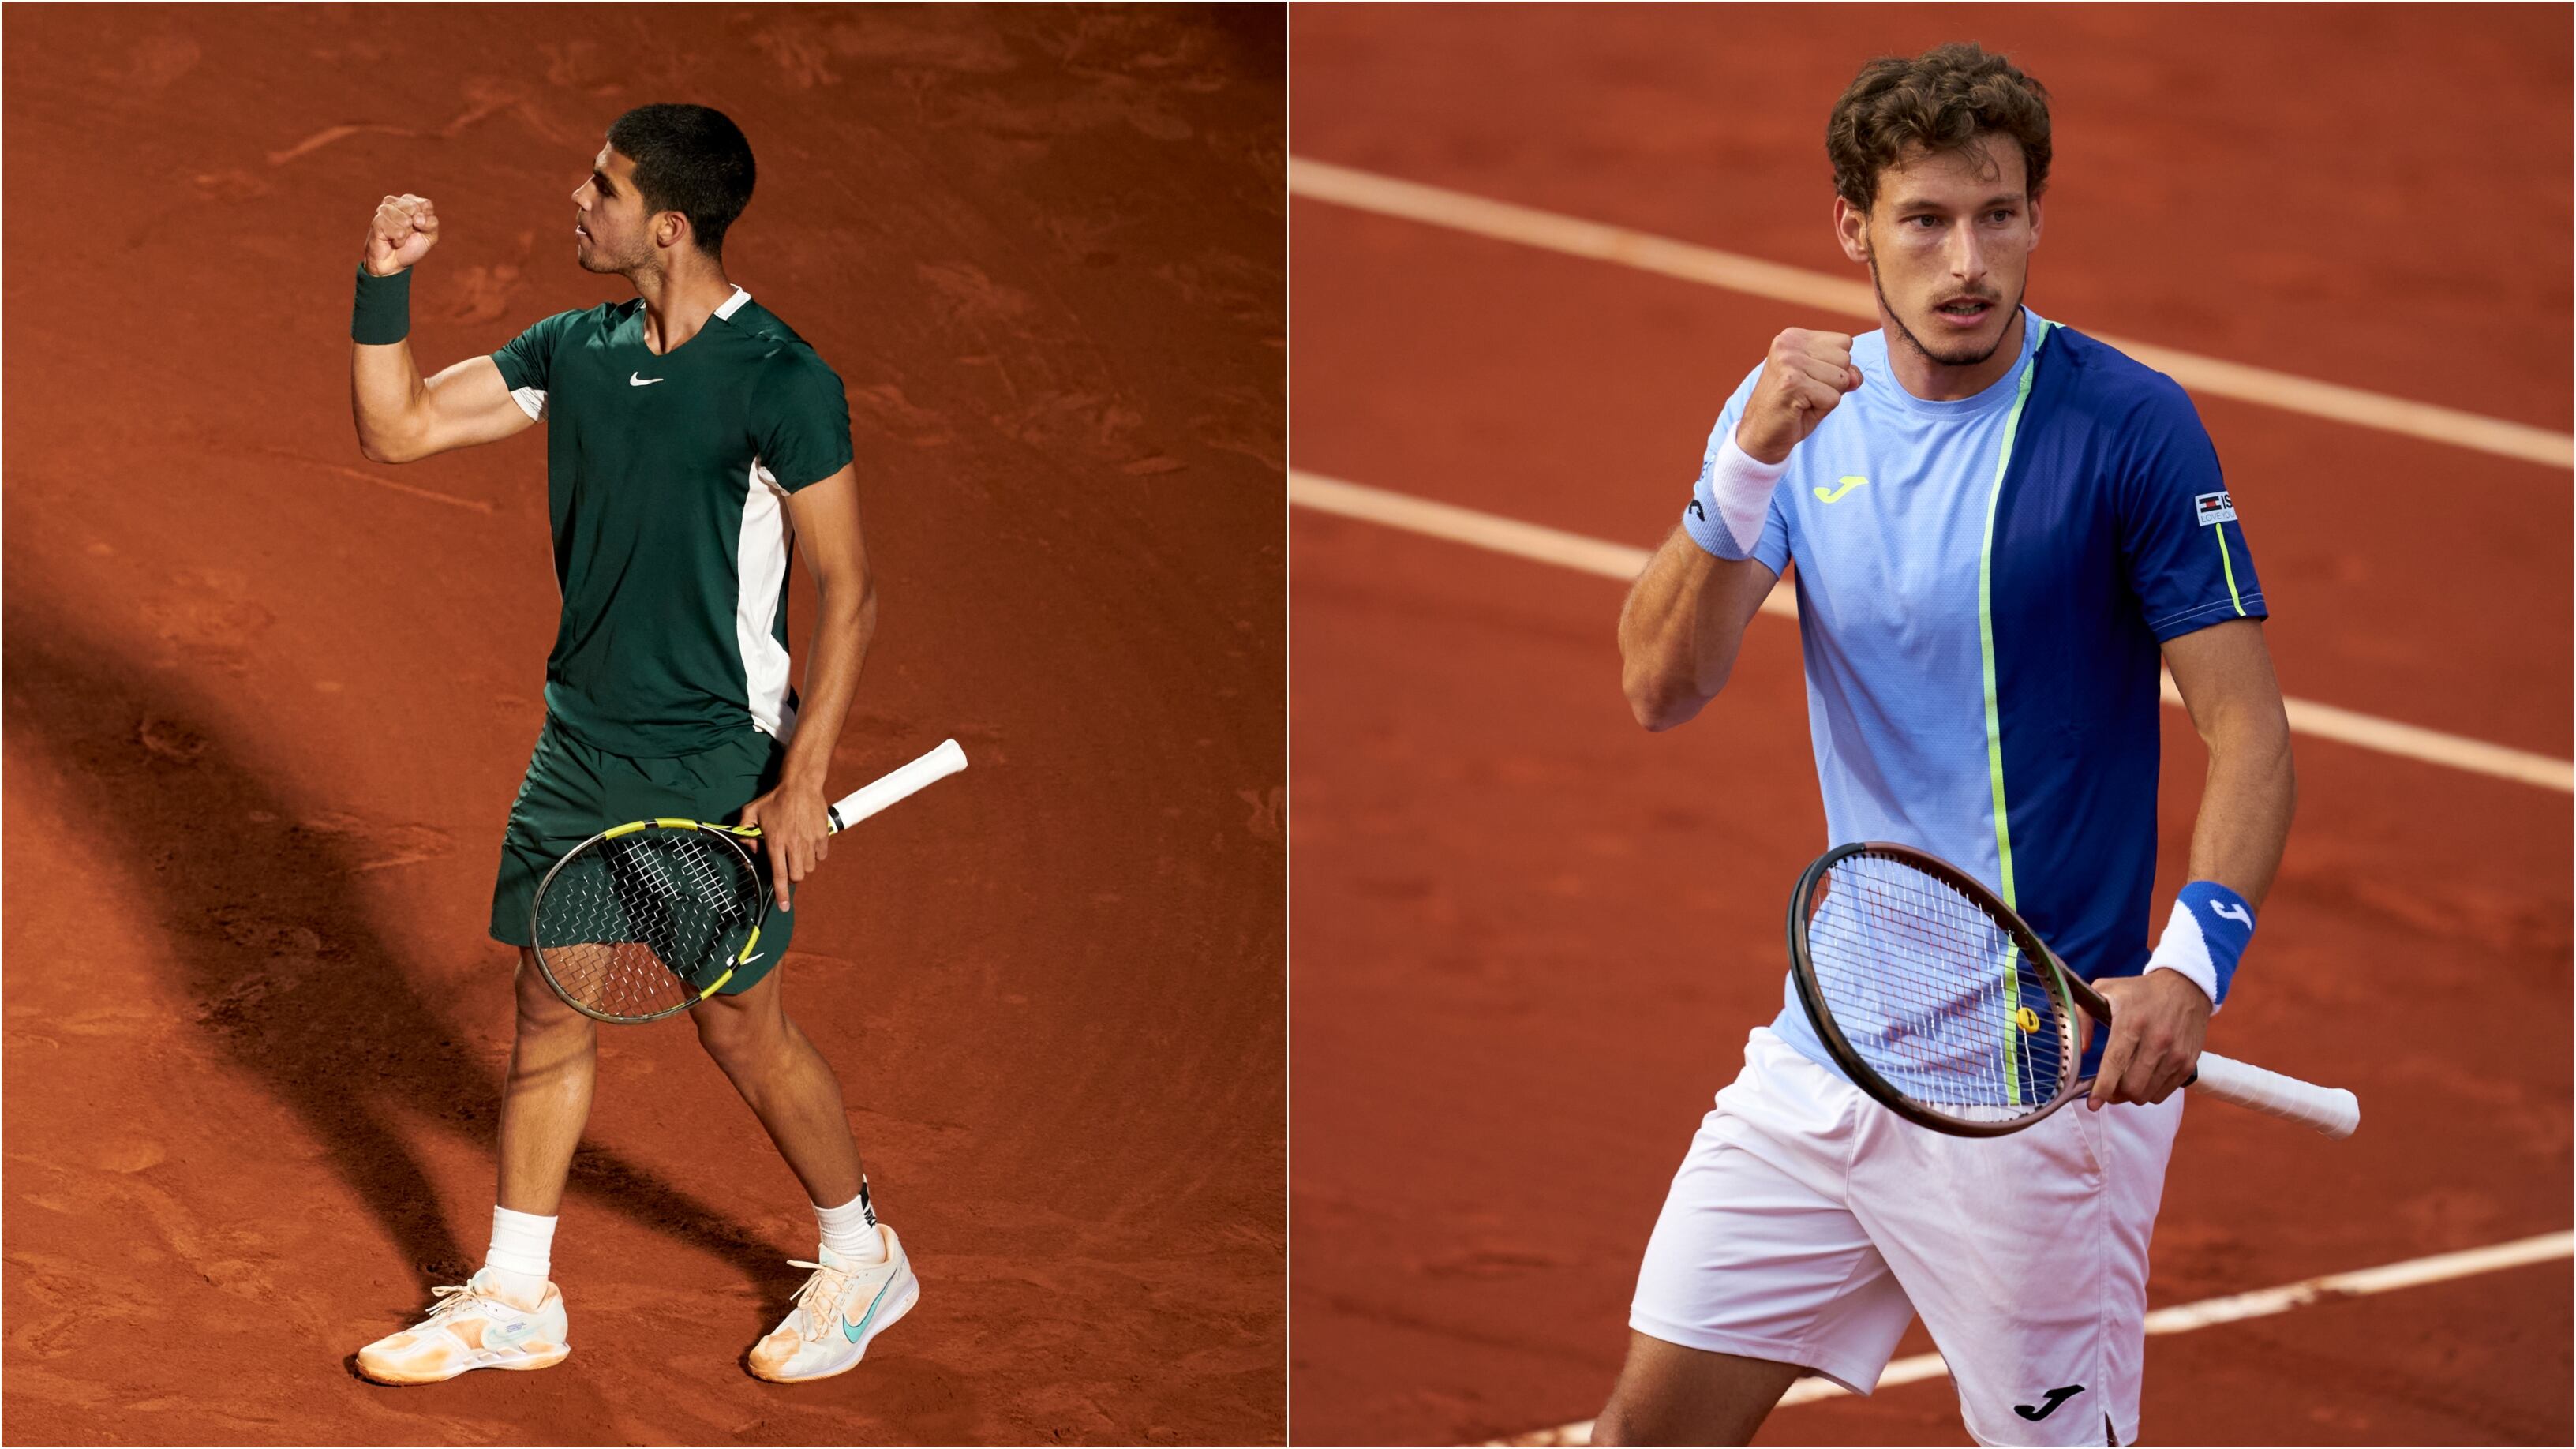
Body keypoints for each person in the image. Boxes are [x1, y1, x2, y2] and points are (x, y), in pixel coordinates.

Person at [1601, 43, 2294, 1447]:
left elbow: (2251, 731)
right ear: (1855, 229)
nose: (1966, 260)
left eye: (1998, 215)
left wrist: (2190, 966)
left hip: (2048, 1085)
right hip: (1835, 1041)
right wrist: (1745, 465)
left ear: (2039, 216)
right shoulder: (1796, 416)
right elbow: (1660, 687)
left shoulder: (2131, 428)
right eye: (1925, 219)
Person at [345, 103, 915, 1387]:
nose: (575, 201)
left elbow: (852, 587)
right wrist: (385, 289)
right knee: (549, 1004)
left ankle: (862, 1252)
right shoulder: (578, 350)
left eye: (599, 187)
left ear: (667, 224)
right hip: (582, 746)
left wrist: (802, 775)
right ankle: (516, 1297)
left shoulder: (780, 378)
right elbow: (399, 430)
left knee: (742, 1029)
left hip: (713, 757)